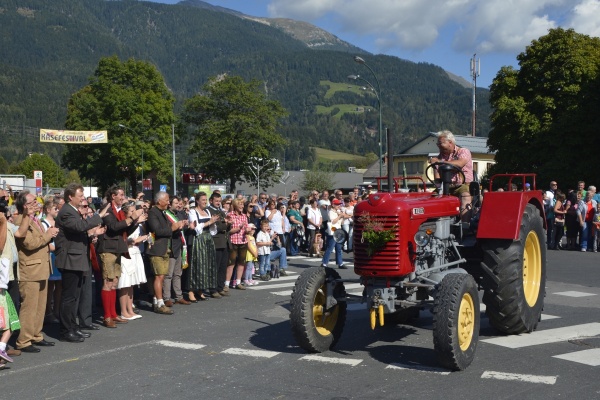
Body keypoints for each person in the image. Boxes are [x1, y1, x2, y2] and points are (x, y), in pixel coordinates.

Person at [54, 183, 105, 343]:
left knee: (74, 296)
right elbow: (79, 226)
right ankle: (65, 330)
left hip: (77, 258)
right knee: (68, 297)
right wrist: (98, 215)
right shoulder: (66, 212)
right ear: (71, 197)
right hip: (69, 259)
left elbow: (81, 230)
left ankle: (72, 326)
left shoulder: (73, 211)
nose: (83, 199)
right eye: (80, 196)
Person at [13, 191, 58, 352]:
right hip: (30, 270)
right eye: (32, 202)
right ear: (24, 205)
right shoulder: (20, 221)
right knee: (29, 307)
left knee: (40, 306)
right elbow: (29, 244)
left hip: (41, 268)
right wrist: (48, 235)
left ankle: (36, 335)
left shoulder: (35, 219)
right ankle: (24, 340)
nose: (36, 203)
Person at [96, 186, 143, 328]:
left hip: (117, 249)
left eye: (123, 195)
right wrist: (131, 218)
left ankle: (113, 314)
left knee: (114, 282)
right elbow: (114, 227)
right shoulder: (108, 209)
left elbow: (125, 230)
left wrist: (136, 222)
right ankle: (107, 316)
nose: (123, 197)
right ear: (113, 196)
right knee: (108, 282)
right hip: (108, 249)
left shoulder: (119, 211)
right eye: (121, 195)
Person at [146, 192, 186, 314]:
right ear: (159, 201)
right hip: (157, 249)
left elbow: (165, 227)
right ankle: (160, 303)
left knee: (161, 276)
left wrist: (177, 225)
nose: (168, 202)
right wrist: (172, 228)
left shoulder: (162, 212)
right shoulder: (153, 212)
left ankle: (156, 300)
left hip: (164, 248)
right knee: (159, 277)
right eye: (167, 200)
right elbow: (157, 230)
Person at [429, 130, 473, 222]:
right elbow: (437, 175)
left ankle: (465, 226)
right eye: (438, 144)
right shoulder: (439, 157)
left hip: (462, 185)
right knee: (429, 198)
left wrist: (440, 162)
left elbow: (459, 164)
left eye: (440, 143)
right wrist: (437, 183)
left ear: (450, 142)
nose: (439, 146)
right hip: (445, 186)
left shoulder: (463, 152)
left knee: (465, 196)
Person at [117, 201, 148, 320]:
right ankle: (123, 311)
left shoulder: (136, 224)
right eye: (131, 211)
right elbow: (126, 237)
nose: (134, 213)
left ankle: (130, 309)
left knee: (131, 285)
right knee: (125, 284)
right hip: (127, 253)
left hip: (135, 253)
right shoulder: (125, 224)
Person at [187, 192, 218, 301]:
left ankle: (200, 290)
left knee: (206, 265)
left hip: (208, 239)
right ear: (197, 201)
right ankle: (191, 291)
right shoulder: (192, 211)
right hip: (199, 240)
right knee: (197, 265)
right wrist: (209, 222)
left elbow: (213, 231)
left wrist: (213, 223)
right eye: (203, 200)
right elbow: (196, 228)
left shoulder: (207, 211)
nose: (205, 202)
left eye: (206, 200)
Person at [163, 197, 190, 306]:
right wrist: (177, 226)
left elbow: (183, 229)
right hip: (171, 245)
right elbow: (168, 230)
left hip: (180, 245)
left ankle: (178, 296)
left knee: (178, 273)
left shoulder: (180, 214)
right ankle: (166, 297)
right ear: (170, 204)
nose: (179, 205)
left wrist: (188, 226)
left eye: (180, 203)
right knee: (168, 274)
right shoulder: (166, 214)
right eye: (176, 203)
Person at [207, 192, 230, 298]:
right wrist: (225, 223)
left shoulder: (221, 211)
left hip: (224, 242)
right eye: (216, 201)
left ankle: (220, 287)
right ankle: (213, 289)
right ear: (211, 201)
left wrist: (228, 223)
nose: (218, 203)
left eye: (219, 201)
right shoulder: (209, 211)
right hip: (216, 242)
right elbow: (217, 227)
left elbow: (225, 225)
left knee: (222, 266)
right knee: (215, 267)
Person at [225, 199, 248, 290]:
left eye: (242, 205)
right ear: (235, 205)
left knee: (241, 263)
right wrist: (239, 228)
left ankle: (238, 282)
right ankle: (227, 284)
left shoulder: (244, 216)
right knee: (231, 263)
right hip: (233, 241)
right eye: (240, 205)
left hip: (243, 241)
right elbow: (228, 231)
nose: (242, 206)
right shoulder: (230, 215)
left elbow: (246, 228)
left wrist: (247, 230)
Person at [321, 198, 346, 269]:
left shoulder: (337, 211)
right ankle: (324, 263)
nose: (339, 206)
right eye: (337, 204)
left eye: (339, 204)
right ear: (333, 205)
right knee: (330, 247)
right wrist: (340, 216)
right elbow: (333, 222)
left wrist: (342, 216)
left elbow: (341, 221)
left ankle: (340, 263)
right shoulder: (330, 212)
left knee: (339, 248)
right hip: (333, 230)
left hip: (338, 230)